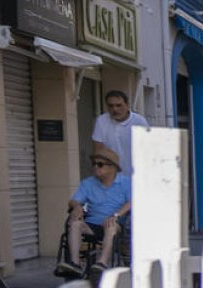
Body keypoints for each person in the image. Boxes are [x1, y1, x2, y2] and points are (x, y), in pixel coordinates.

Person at [55, 148, 131, 277]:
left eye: (100, 164)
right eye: (94, 164)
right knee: (75, 224)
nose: (96, 167)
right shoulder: (88, 183)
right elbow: (74, 200)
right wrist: (77, 207)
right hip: (92, 225)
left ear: (113, 167)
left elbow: (132, 202)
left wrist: (116, 215)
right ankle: (75, 264)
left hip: (114, 223)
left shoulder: (126, 183)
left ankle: (102, 263)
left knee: (111, 225)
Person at [91, 90, 150, 179]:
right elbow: (98, 149)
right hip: (111, 177)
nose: (115, 109)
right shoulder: (102, 121)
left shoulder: (139, 122)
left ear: (127, 105)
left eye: (118, 105)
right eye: (111, 106)